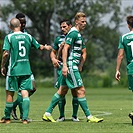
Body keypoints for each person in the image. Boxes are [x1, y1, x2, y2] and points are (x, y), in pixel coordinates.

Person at [42, 12, 103, 123]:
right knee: (81, 90)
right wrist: (65, 66)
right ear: (76, 22)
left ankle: (47, 113)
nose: (84, 23)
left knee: (62, 91)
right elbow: (65, 48)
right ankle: (89, 117)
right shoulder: (74, 33)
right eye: (82, 22)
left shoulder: (76, 34)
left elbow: (81, 51)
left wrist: (80, 64)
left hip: (72, 65)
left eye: (85, 21)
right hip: (70, 66)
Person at [0, 18, 47, 124]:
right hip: (26, 70)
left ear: (10, 27)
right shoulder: (28, 36)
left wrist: (2, 65)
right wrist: (46, 47)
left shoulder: (9, 37)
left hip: (13, 71)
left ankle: (7, 118)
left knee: (10, 94)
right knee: (25, 93)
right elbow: (39, 46)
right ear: (20, 25)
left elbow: (6, 53)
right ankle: (25, 118)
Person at [11, 13, 52, 120]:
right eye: (21, 22)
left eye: (25, 22)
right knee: (24, 91)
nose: (24, 24)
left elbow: (37, 45)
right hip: (16, 68)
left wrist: (44, 47)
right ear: (17, 23)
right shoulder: (12, 35)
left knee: (32, 88)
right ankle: (22, 115)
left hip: (26, 67)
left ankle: (14, 106)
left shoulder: (27, 35)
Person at [50, 19, 79, 122]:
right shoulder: (58, 39)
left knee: (75, 91)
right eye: (61, 27)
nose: (62, 29)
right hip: (62, 68)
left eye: (64, 27)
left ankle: (74, 116)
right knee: (62, 92)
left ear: (70, 26)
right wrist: (54, 59)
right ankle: (61, 116)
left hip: (71, 66)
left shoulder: (74, 36)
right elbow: (53, 52)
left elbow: (83, 51)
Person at [115, 15, 133, 125]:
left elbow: (120, 56)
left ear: (128, 25)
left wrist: (117, 70)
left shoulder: (124, 37)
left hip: (131, 67)